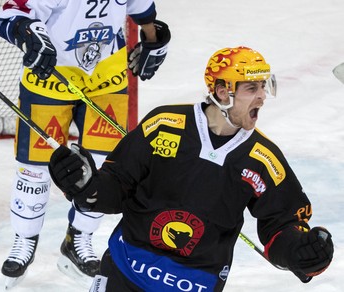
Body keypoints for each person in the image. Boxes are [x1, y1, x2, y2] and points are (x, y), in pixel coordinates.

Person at [49, 46, 334, 291]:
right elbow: (116, 185)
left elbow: (281, 225)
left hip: (195, 283)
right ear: (223, 92)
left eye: (263, 86)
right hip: (126, 271)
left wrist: (300, 251)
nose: (262, 96)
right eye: (252, 88)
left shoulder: (262, 158)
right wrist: (86, 185)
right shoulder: (164, 124)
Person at [0, 0, 170, 284]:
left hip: (106, 77)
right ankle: (23, 242)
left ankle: (79, 241)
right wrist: (30, 36)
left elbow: (145, 15)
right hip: (52, 80)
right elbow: (9, 18)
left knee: (106, 166)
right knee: (35, 167)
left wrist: (156, 42)